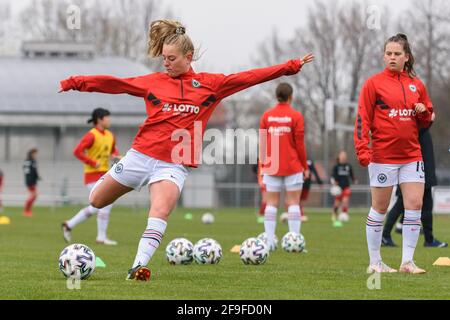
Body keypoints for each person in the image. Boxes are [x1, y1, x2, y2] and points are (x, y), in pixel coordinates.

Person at [59, 19, 314, 280]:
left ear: (188, 57)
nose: (165, 63)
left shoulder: (211, 84)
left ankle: (138, 267)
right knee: (96, 200)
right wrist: (77, 82)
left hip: (172, 165)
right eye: (164, 58)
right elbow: (116, 84)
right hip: (139, 156)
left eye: (171, 58)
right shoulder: (154, 82)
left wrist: (289, 67)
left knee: (160, 211)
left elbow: (249, 77)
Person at [354, 33, 434, 274]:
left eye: (397, 54)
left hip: (412, 155)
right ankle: (375, 262)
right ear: (383, 55)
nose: (392, 57)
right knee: (380, 207)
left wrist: (423, 111)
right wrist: (362, 148)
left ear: (406, 57)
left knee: (415, 204)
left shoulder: (417, 85)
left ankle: (407, 262)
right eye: (388, 53)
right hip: (382, 157)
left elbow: (427, 119)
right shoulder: (373, 83)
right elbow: (362, 119)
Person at [259, 82, 309, 250]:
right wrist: (305, 166)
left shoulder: (267, 116)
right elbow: (300, 144)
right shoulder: (296, 116)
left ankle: (270, 242)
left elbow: (263, 144)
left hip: (271, 166)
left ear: (276, 96)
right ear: (291, 97)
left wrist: (262, 167)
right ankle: (294, 242)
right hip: (292, 165)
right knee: (293, 202)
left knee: (271, 203)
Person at [62, 108, 121, 245]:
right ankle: (101, 238)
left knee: (96, 207)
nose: (109, 120)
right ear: (100, 119)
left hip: (105, 174)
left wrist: (116, 156)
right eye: (107, 117)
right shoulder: (91, 135)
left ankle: (69, 224)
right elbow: (77, 151)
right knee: (106, 203)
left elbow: (113, 151)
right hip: (92, 176)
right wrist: (92, 162)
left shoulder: (110, 135)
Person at [382, 124, 448, 248]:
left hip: (421, 171)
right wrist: (428, 117)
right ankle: (386, 236)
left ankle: (428, 239)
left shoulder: (419, 128)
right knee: (403, 205)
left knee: (421, 205)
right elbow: (421, 124)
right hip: (415, 172)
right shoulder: (415, 127)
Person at [330, 151, 355, 227]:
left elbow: (351, 175)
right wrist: (334, 183)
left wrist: (354, 179)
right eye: (342, 155)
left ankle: (344, 214)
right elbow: (333, 177)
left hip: (346, 187)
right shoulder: (336, 167)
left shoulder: (348, 166)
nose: (343, 157)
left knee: (345, 200)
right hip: (338, 188)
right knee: (337, 203)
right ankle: (334, 214)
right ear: (339, 157)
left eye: (345, 155)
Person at [23, 148, 40, 217]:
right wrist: (37, 176)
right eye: (35, 154)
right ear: (32, 153)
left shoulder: (26, 161)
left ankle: (28, 210)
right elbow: (34, 171)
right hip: (31, 181)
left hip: (28, 180)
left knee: (34, 196)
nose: (36, 155)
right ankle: (26, 211)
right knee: (34, 196)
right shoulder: (32, 161)